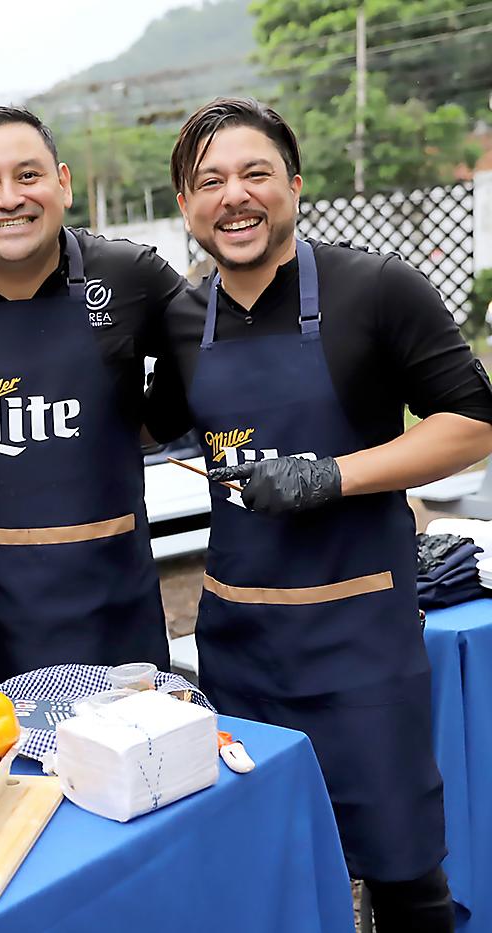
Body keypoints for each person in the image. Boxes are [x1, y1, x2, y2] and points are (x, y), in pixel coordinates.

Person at [149, 96, 492, 931]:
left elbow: (471, 425)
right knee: (269, 867)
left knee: (406, 874)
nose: (234, 195)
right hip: (239, 648)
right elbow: (148, 430)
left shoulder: (377, 289)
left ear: (295, 186)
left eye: (255, 173)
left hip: (362, 645)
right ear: (188, 208)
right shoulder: (183, 320)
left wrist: (328, 476)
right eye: (210, 181)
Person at [0, 106, 185, 700]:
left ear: (64, 184)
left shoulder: (133, 279)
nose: (9, 199)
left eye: (28, 176)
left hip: (119, 633)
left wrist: (152, 425)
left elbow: (216, 356)